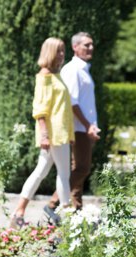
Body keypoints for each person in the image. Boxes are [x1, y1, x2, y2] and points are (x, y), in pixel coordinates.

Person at [11, 37, 75, 229]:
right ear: (50, 53)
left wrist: (69, 134)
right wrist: (45, 135)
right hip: (54, 134)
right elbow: (40, 110)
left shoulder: (56, 75)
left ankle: (18, 212)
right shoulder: (45, 76)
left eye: (63, 51)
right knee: (64, 174)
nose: (62, 55)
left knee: (41, 171)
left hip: (60, 133)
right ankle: (69, 217)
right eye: (59, 51)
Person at [44, 32, 100, 223]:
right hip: (78, 127)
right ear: (75, 47)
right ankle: (53, 203)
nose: (90, 48)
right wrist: (88, 126)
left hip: (85, 127)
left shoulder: (83, 69)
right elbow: (73, 103)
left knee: (80, 168)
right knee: (82, 168)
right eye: (86, 45)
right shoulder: (73, 69)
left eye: (91, 45)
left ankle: (76, 207)